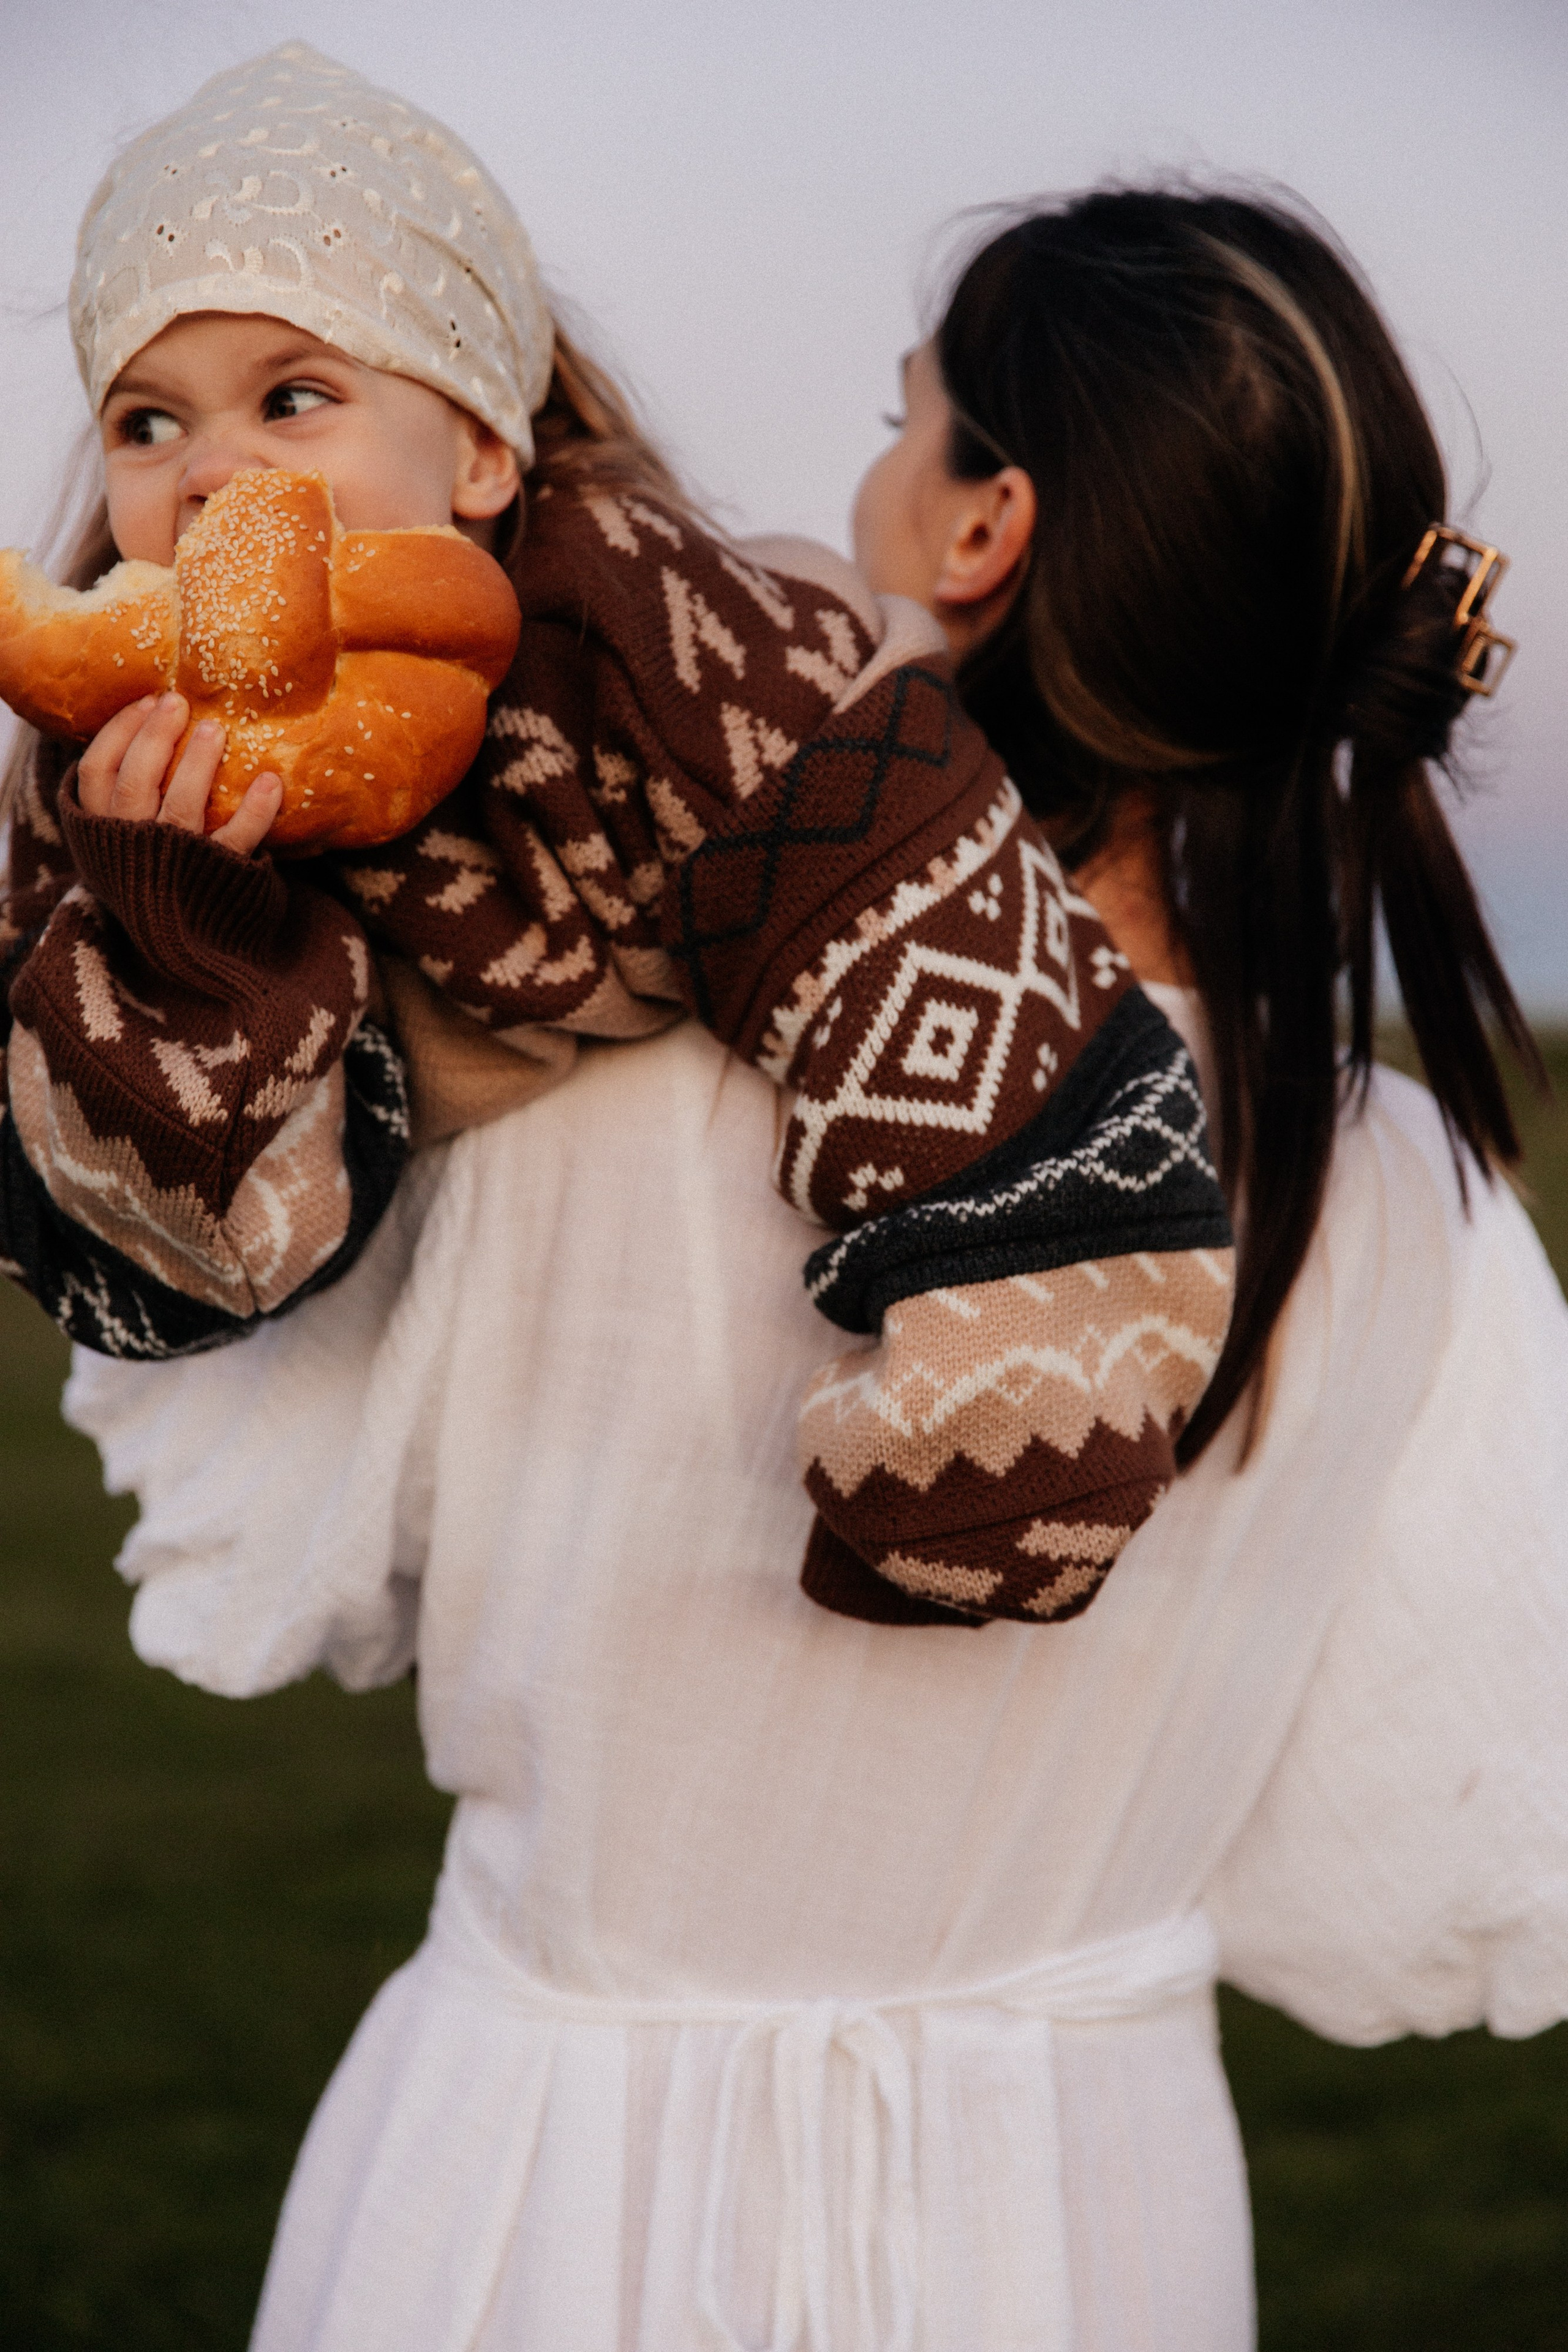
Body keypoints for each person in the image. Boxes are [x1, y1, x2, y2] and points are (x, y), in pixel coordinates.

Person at [47, 183, 1568, 2352]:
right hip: (1086, 2220)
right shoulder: (1416, 1188)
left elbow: (286, 1538)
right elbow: (1403, 1853)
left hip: (544, 2203)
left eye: (902, 419)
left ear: (983, 532)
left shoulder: (592, 1078)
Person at [0, 45, 1234, 1632]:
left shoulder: (653, 635)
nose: (211, 468)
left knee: (858, 784)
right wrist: (184, 925)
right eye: (147, 421)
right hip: (461, 1401)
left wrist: (1004, 1395)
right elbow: (180, 1274)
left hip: (841, 960)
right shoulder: (99, 785)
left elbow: (910, 917)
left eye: (294, 395)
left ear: (483, 452)